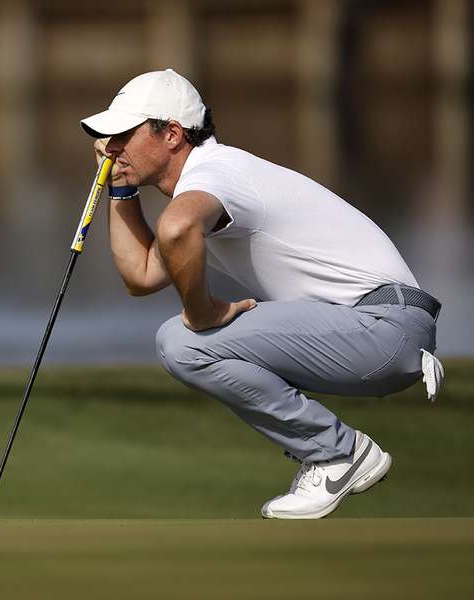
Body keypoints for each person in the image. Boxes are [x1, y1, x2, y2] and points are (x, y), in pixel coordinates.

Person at [80, 69, 444, 519]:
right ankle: (335, 453)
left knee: (184, 342)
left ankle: (338, 454)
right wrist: (118, 188)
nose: (110, 147)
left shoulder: (218, 173)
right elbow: (140, 275)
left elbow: (176, 229)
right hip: (373, 330)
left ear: (172, 134)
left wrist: (204, 313)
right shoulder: (210, 182)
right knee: (184, 342)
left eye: (123, 135)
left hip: (385, 327)